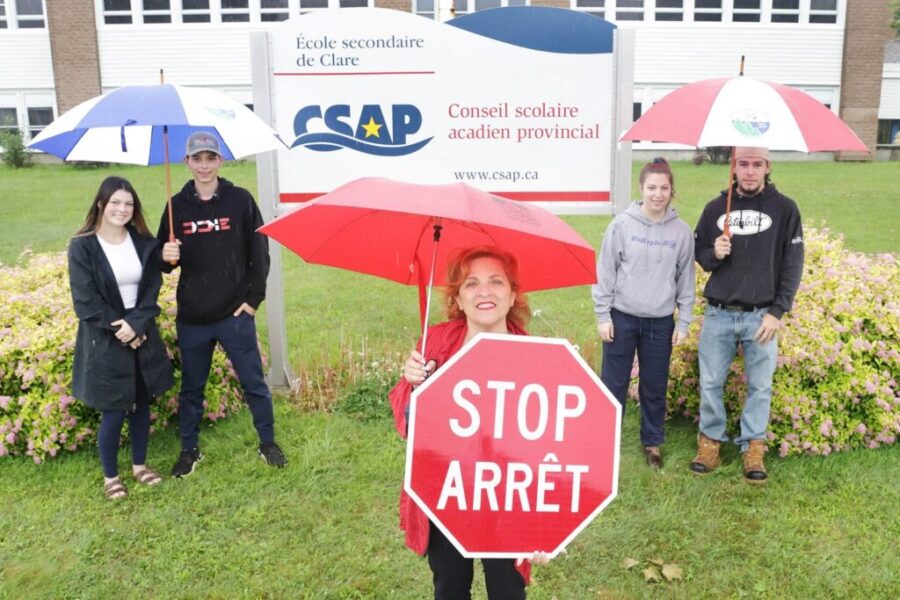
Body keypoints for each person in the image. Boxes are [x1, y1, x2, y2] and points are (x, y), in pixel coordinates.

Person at [389, 246, 538, 600]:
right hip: (446, 491)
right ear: (457, 296)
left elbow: (550, 447)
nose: (484, 291)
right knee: (450, 587)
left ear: (513, 293)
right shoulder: (437, 343)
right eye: (471, 284)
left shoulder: (536, 357)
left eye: (496, 281)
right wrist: (414, 388)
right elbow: (407, 424)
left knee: (507, 591)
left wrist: (544, 525)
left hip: (508, 498)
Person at [158, 131, 285, 477]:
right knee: (191, 389)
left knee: (254, 383)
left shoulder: (240, 201)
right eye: (196, 159)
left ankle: (268, 442)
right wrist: (165, 255)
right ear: (187, 162)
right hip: (193, 318)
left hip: (234, 314)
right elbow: (162, 260)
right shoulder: (176, 207)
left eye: (210, 158)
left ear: (220, 160)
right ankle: (189, 450)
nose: (203, 165)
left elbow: (259, 253)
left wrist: (253, 300)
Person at [691, 146, 804, 484]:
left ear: (768, 167)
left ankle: (753, 446)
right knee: (710, 382)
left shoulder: (785, 210)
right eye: (743, 164)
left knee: (760, 386)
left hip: (760, 318)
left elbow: (792, 263)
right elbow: (699, 253)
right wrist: (715, 252)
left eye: (757, 164)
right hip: (719, 313)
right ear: (733, 168)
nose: (750, 171)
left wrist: (777, 311)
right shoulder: (715, 208)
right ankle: (709, 442)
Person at [68, 176, 175, 500]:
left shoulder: (143, 243)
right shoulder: (83, 245)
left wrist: (137, 325)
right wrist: (122, 330)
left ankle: (140, 466)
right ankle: (111, 475)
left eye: (128, 203)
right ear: (101, 203)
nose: (122, 209)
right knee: (114, 409)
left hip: (140, 329)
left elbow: (152, 291)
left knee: (141, 403)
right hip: (106, 335)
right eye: (115, 202)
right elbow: (85, 301)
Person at [592, 157, 695, 469]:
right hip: (621, 317)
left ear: (671, 191)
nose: (658, 194)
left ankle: (652, 442)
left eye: (664, 188)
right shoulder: (622, 225)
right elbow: (605, 271)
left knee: (654, 384)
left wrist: (685, 320)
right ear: (641, 189)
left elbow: (685, 279)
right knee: (613, 383)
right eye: (652, 187)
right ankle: (604, 441)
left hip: (660, 321)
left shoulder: (681, 232)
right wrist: (602, 315)